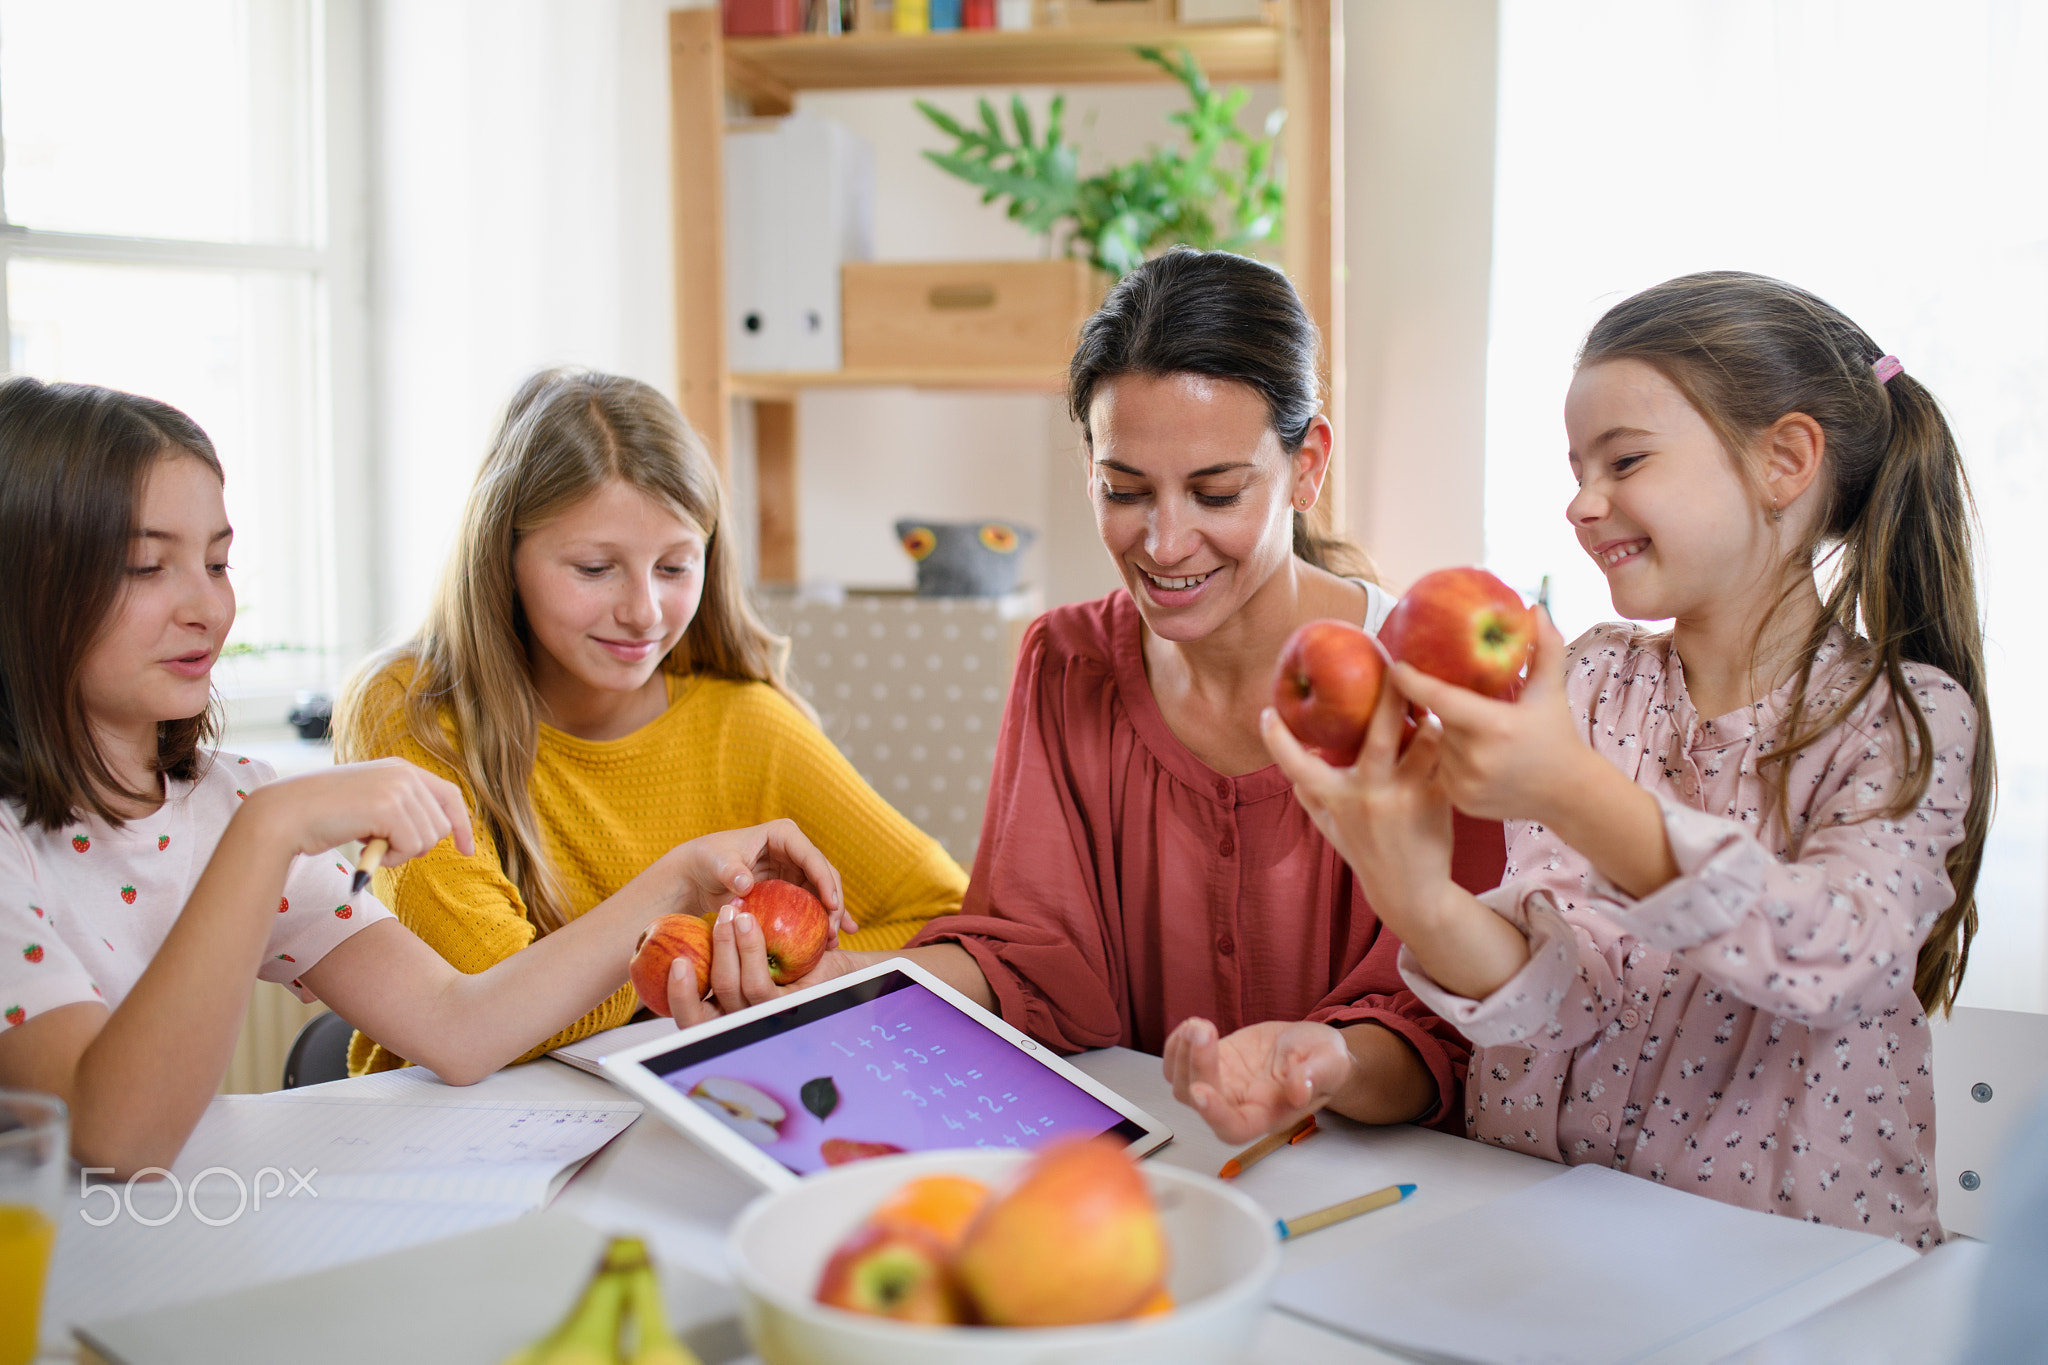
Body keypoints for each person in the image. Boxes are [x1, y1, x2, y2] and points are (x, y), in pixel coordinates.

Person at [674, 250, 1507, 1139]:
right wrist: (841, 981)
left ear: (1309, 468)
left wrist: (1319, 1063)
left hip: (1386, 1199)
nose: (1166, 540)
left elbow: (1448, 1037)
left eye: (1217, 492)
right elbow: (1029, 956)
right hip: (1145, 1183)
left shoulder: (1434, 692)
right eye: (1124, 489)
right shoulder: (1067, 664)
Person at [1264, 271, 1991, 1246]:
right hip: (1565, 1241)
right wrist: (1419, 898)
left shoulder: (1902, 720)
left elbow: (1834, 958)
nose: (1581, 503)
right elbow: (1553, 998)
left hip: (1797, 1264)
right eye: (1575, 469)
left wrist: (1574, 792)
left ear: (1784, 460)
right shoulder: (1591, 681)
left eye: (1623, 461)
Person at [0, 377, 837, 1176]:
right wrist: (268, 830)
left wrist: (683, 880)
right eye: (147, 567)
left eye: (217, 563)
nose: (207, 608)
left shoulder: (224, 803)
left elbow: (462, 1026)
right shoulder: (221, 822)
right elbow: (115, 1137)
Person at [333, 369, 965, 1072]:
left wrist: (799, 974)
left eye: (674, 566)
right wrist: (679, 923)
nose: (644, 611)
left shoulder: (746, 725)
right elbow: (489, 1002)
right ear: (502, 557)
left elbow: (956, 922)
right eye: (596, 567)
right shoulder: (411, 711)